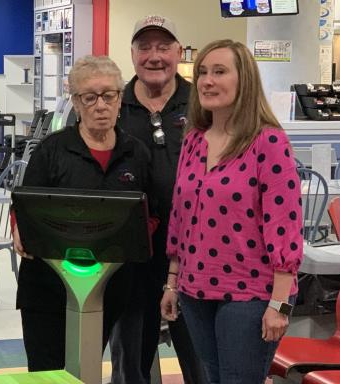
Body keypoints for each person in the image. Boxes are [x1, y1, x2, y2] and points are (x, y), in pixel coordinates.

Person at [161, 39, 303, 384]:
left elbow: (284, 227)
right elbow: (181, 218)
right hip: (195, 290)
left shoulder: (267, 142)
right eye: (203, 73)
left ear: (245, 81)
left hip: (251, 294)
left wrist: (279, 307)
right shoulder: (194, 138)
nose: (207, 81)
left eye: (220, 72)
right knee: (211, 377)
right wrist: (172, 282)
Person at [13, 55, 156, 372]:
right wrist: (18, 227)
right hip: (47, 289)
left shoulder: (136, 153)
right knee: (49, 373)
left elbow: (151, 213)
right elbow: (23, 207)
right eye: (89, 97)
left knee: (86, 365)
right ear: (76, 103)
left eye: (109, 95)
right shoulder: (51, 151)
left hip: (108, 287)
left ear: (120, 99)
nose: (100, 105)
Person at [113, 15, 206, 384]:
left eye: (163, 47)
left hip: (195, 254)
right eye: (145, 47)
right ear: (133, 53)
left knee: (200, 361)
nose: (155, 56)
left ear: (178, 52)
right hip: (133, 255)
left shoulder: (202, 101)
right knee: (131, 364)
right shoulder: (113, 105)